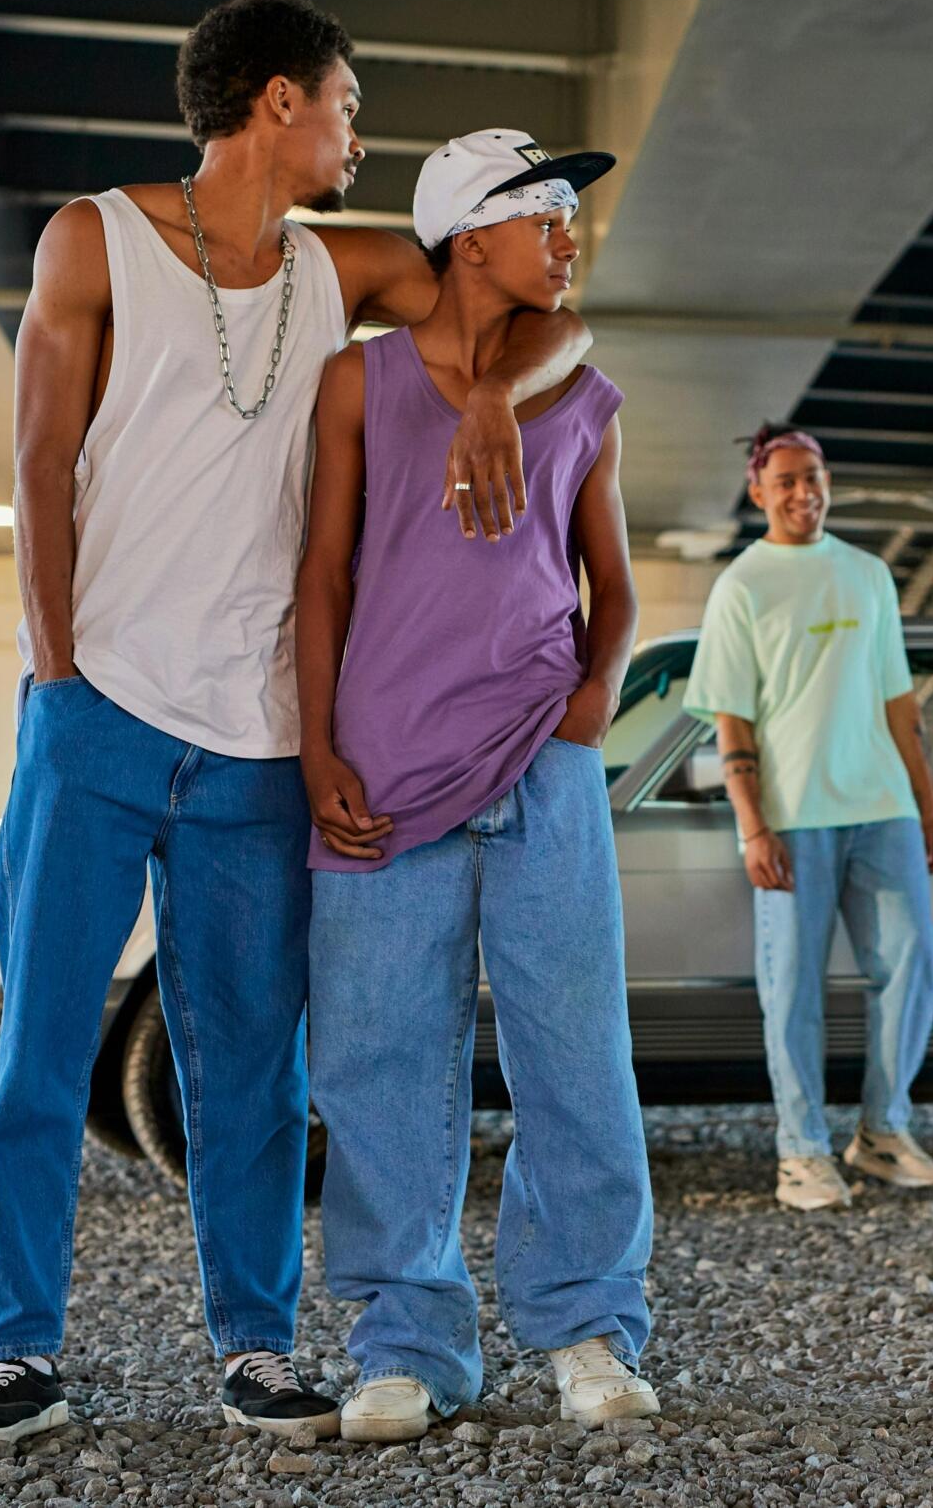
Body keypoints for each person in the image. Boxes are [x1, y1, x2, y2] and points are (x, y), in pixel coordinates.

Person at [0, 0, 591, 1457]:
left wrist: (483, 399)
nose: (360, 133)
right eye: (350, 105)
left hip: (262, 738)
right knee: (40, 1045)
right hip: (95, 714)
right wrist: (56, 671)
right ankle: (15, 1350)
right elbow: (37, 460)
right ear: (279, 102)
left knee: (252, 1069)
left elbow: (537, 307)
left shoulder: (339, 266)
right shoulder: (89, 239)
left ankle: (258, 1347)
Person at [296, 129, 657, 1442]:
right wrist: (317, 745)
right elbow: (322, 574)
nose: (571, 234)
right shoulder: (357, 384)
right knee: (382, 1060)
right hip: (381, 776)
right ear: (469, 235)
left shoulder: (582, 393)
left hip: (539, 768)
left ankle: (588, 1327)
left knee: (574, 1055)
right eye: (547, 214)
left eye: (573, 216)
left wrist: (585, 708)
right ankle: (407, 1340)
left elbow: (611, 587)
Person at [681, 426, 933, 1212]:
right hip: (793, 816)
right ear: (759, 489)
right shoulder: (742, 585)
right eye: (789, 480)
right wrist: (752, 826)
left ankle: (882, 1132)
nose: (806, 493)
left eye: (817, 478)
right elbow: (731, 721)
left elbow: (899, 701)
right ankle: (801, 1152)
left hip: (883, 808)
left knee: (912, 967)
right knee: (792, 986)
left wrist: (928, 806)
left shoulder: (869, 575)